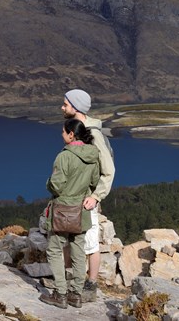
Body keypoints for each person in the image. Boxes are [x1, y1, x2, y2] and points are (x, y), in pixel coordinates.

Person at [62, 89, 116, 302]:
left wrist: (96, 196)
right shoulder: (76, 129)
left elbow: (108, 169)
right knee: (67, 238)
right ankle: (68, 282)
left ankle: (90, 285)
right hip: (72, 197)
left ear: (75, 107)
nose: (62, 107)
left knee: (91, 243)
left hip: (87, 200)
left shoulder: (93, 134)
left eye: (65, 104)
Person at [39, 118, 99, 309]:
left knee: (55, 249)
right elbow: (94, 182)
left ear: (71, 134)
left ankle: (60, 294)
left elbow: (56, 185)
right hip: (81, 211)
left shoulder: (64, 156)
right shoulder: (93, 155)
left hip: (62, 210)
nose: (61, 135)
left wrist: (48, 182)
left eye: (63, 132)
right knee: (79, 251)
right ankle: (76, 295)